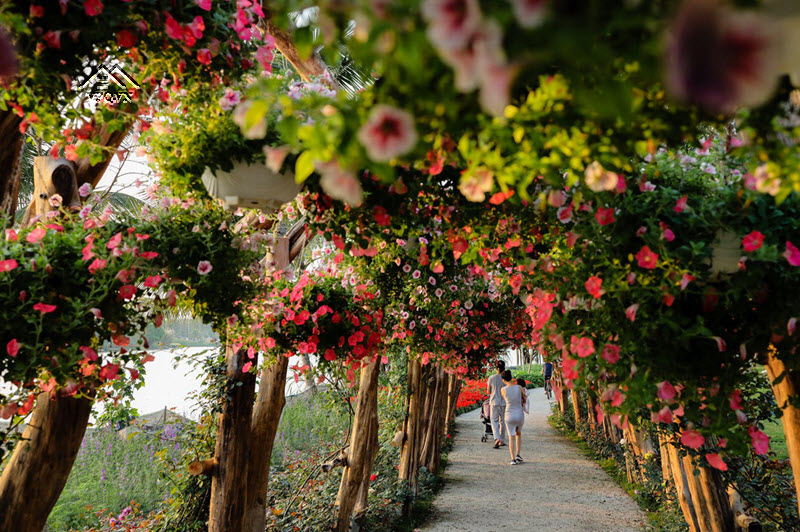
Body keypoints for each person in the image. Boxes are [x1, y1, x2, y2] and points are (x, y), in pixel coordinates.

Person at [501, 370, 525, 465]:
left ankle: (512, 459)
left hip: (509, 414)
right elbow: (524, 398)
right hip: (519, 414)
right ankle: (518, 454)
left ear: (503, 379)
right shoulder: (519, 387)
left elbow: (506, 399)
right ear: (511, 377)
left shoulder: (503, 389)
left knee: (511, 437)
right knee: (518, 433)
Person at [486, 360, 507, 448]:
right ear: (504, 368)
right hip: (504, 402)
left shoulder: (491, 377)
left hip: (494, 402)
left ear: (496, 368)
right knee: (502, 421)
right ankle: (502, 440)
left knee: (494, 420)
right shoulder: (505, 378)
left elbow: (488, 391)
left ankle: (496, 438)